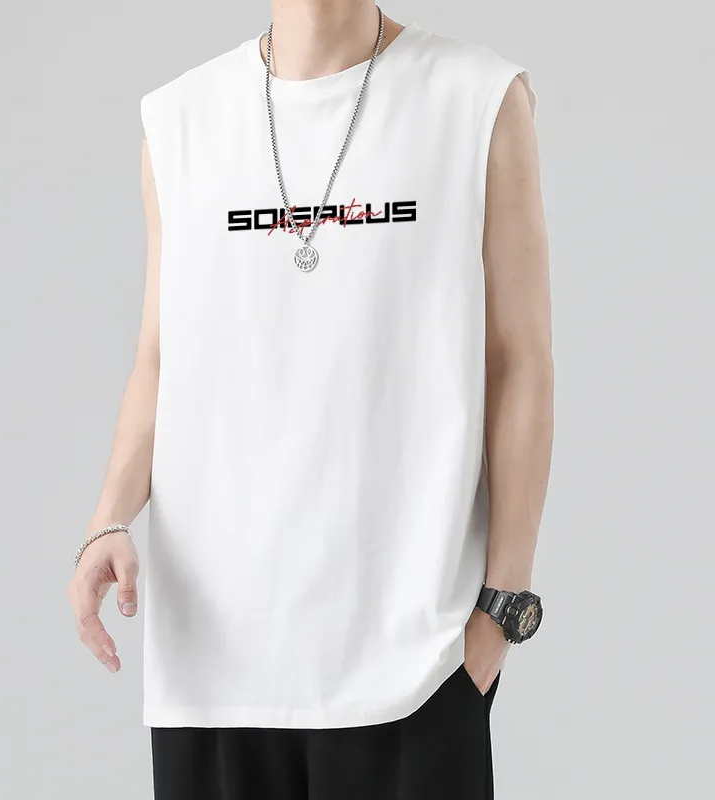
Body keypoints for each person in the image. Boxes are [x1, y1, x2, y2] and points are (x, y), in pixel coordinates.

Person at [67, 2, 553, 798]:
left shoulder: (478, 99)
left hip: (414, 663)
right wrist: (107, 519)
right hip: (214, 666)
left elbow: (520, 361)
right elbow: (159, 356)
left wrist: (502, 607)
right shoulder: (180, 120)